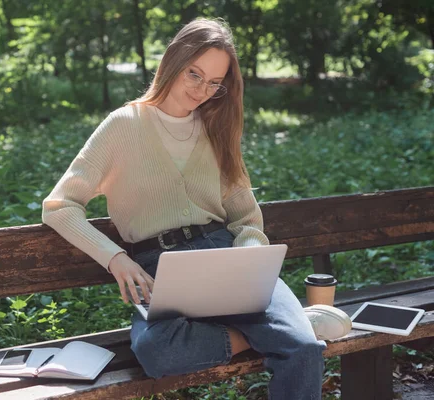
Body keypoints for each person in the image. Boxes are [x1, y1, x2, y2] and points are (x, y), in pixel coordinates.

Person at [42, 17, 350, 400]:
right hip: (161, 266)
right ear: (173, 61)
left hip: (228, 256)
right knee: (157, 350)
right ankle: (282, 330)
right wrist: (116, 258)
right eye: (194, 74)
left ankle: (290, 333)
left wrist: (248, 261)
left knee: (303, 350)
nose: (203, 90)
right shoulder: (123, 126)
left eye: (214, 82)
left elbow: (246, 218)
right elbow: (59, 206)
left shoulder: (216, 129)